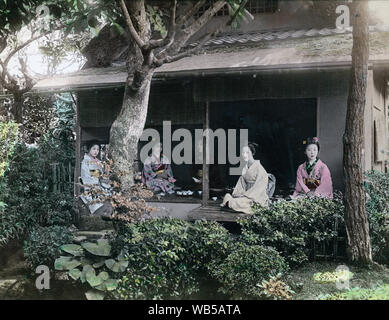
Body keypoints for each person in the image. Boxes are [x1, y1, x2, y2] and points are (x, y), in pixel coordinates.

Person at [220, 143, 269, 214]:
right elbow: (241, 183)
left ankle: (232, 205)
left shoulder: (260, 169)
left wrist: (246, 195)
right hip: (245, 195)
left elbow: (260, 188)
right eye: (243, 153)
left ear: (252, 153)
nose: (245, 155)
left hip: (256, 197)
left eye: (247, 152)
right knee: (227, 196)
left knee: (237, 202)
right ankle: (233, 205)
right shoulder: (245, 168)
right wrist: (240, 194)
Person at [80, 141, 113, 216]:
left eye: (98, 149)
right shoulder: (86, 161)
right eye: (94, 149)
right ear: (88, 149)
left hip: (100, 184)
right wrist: (101, 177)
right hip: (91, 185)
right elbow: (88, 177)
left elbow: (100, 175)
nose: (96, 151)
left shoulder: (97, 161)